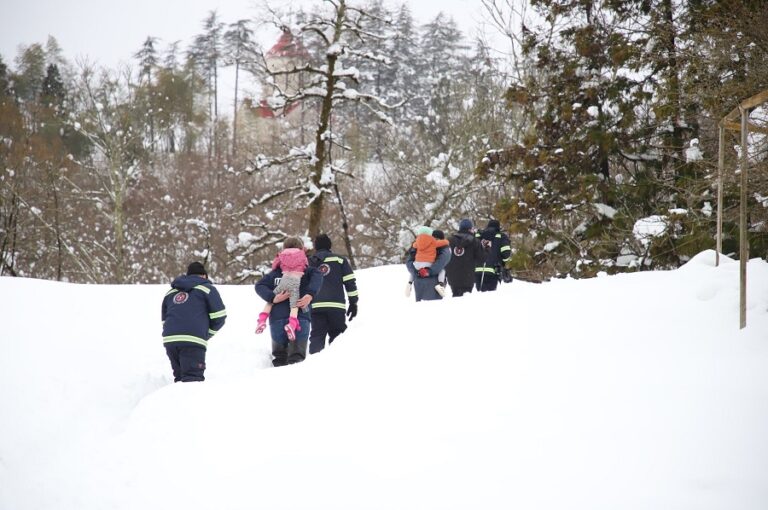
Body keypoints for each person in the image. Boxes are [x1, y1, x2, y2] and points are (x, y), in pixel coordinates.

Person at [255, 237, 323, 367]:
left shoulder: (275, 272)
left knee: (279, 358)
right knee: (297, 359)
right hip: (300, 317)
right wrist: (309, 294)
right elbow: (318, 276)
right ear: (302, 250)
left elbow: (259, 286)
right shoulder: (306, 270)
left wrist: (272, 297)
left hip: (277, 319)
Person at [161, 261, 227, 382]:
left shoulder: (170, 292)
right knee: (192, 380)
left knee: (180, 379)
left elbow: (164, 320)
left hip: (170, 340)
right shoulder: (207, 288)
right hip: (192, 340)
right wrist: (207, 334)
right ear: (203, 276)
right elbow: (219, 316)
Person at [308, 234, 359, 354]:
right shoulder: (340, 260)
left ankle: (314, 366)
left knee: (317, 337)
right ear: (330, 246)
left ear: (315, 247)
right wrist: (353, 303)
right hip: (337, 307)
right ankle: (337, 364)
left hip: (316, 307)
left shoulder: (309, 261)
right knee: (337, 338)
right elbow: (350, 282)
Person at [255, 244, 309, 340]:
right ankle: (292, 324)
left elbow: (276, 263)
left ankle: (262, 320)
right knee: (294, 304)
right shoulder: (300, 254)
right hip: (294, 281)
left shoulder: (282, 255)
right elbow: (306, 264)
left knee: (271, 300)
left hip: (283, 280)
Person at [406, 229, 452, 302]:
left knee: (414, 270)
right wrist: (429, 271)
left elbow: (409, 259)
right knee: (442, 270)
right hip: (430, 269)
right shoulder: (436, 244)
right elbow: (441, 262)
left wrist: (416, 272)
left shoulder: (417, 243)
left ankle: (409, 282)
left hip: (418, 269)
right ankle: (440, 284)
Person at [445, 218, 486, 297]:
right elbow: (482, 258)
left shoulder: (450, 241)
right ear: (470, 229)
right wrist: (487, 249)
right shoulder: (475, 241)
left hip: (453, 277)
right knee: (465, 300)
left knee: (456, 296)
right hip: (468, 277)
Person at [475, 219, 512, 292]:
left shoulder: (479, 235)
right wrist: (503, 262)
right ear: (498, 227)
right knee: (490, 297)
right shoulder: (501, 236)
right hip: (493, 271)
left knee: (477, 296)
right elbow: (506, 253)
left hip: (477, 271)